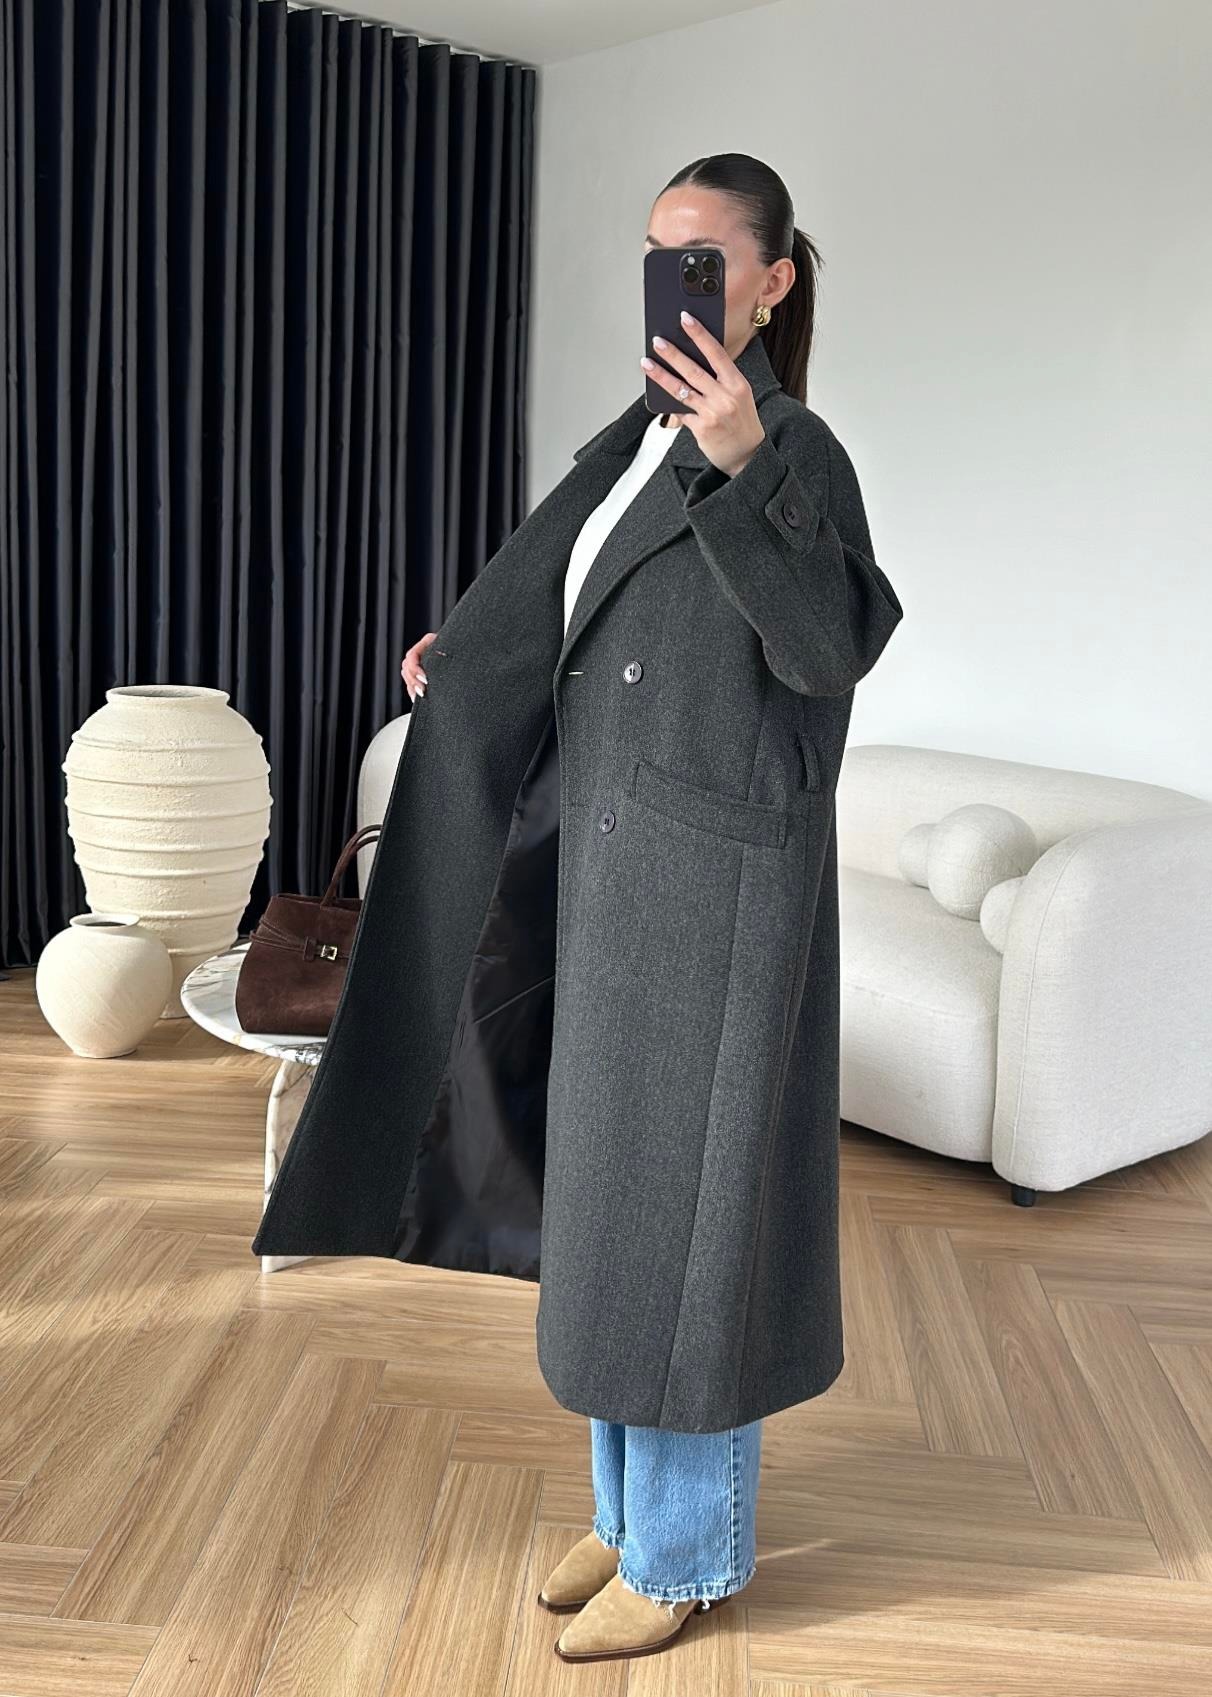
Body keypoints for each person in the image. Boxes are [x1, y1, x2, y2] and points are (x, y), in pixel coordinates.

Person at [392, 153, 900, 1664]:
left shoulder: (791, 450)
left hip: (718, 898)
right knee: (619, 1217)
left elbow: (827, 650)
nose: (677, 282)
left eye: (707, 257)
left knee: (693, 1231)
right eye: (658, 255)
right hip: (618, 883)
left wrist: (744, 467)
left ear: (771, 283)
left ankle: (688, 1552)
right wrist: (470, 663)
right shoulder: (638, 440)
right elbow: (587, 626)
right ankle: (627, 1519)